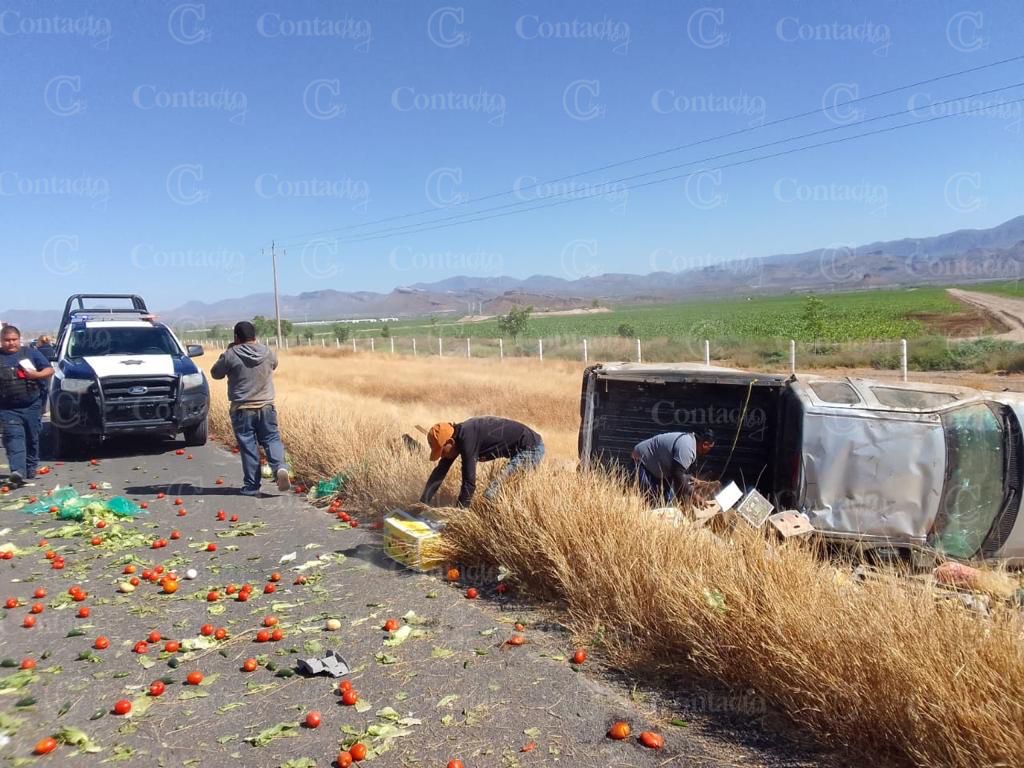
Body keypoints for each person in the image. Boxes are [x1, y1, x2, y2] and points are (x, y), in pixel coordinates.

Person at [209, 321, 290, 496]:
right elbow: (274, 365)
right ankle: (280, 468)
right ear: (255, 336)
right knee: (272, 439)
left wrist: (227, 353)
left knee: (249, 446)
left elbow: (215, 373)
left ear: (237, 337)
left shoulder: (231, 354)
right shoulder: (267, 352)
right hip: (267, 406)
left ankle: (252, 485)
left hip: (242, 408)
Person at [420, 417, 544, 507]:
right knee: (492, 493)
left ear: (450, 442)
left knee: (491, 494)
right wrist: (422, 503)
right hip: (521, 446)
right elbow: (439, 472)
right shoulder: (458, 436)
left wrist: (458, 516)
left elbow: (469, 484)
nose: (442, 456)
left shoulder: (467, 440)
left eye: (442, 452)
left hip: (531, 448)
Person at [0, 325, 54, 487]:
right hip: (7, 408)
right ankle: (17, 471)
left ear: (19, 339)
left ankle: (30, 468)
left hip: (31, 405)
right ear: (1, 341)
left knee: (32, 437)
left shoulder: (30, 353)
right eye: (7, 340)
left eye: (14, 340)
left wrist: (35, 375)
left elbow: (49, 370)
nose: (11, 343)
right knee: (13, 437)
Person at [632, 429, 715, 505]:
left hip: (658, 465)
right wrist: (695, 496)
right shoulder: (687, 448)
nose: (709, 451)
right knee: (651, 501)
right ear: (705, 444)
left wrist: (690, 478)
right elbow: (677, 475)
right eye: (710, 448)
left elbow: (678, 471)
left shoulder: (690, 443)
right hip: (642, 461)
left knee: (666, 502)